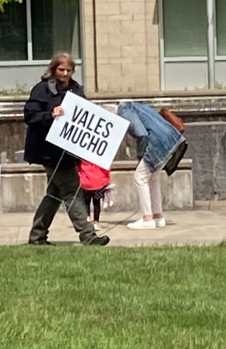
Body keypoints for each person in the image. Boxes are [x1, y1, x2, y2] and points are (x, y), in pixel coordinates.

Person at [22, 53, 109, 246]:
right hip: (48, 151)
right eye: (61, 70)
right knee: (72, 191)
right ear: (53, 69)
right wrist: (50, 114)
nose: (65, 73)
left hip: (69, 151)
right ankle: (88, 236)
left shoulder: (76, 90)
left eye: (69, 70)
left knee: (54, 194)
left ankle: (37, 236)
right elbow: (30, 116)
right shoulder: (41, 90)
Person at [118, 103, 184, 230]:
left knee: (140, 176)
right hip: (172, 138)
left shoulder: (124, 111)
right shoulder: (139, 106)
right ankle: (158, 216)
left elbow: (142, 134)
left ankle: (147, 218)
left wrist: (140, 155)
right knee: (153, 177)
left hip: (157, 142)